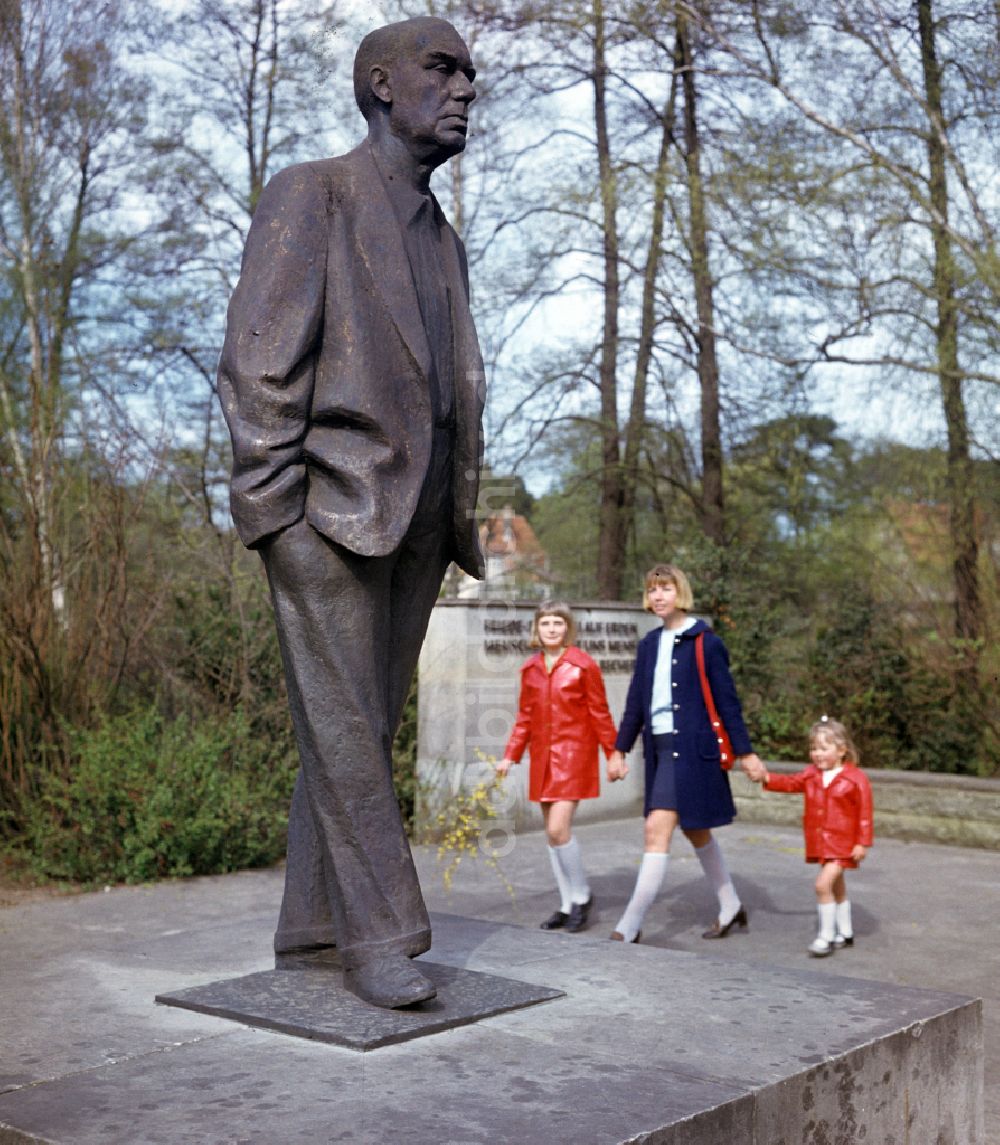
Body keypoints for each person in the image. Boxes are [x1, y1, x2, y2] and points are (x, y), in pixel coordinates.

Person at [217, 17, 484, 1009]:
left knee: (354, 729)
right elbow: (256, 360)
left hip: (416, 523)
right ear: (380, 83)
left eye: (470, 74)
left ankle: (313, 926)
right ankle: (384, 934)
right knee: (348, 726)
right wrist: (272, 512)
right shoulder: (312, 193)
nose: (463, 88)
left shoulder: (442, 237)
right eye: (442, 69)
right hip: (324, 508)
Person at [606, 564, 763, 942]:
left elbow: (728, 703)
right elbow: (635, 705)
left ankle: (629, 925)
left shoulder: (706, 643)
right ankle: (731, 906)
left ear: (682, 594)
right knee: (695, 830)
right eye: (653, 589)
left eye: (666, 589)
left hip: (692, 750)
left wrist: (746, 752)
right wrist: (619, 749)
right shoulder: (648, 645)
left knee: (655, 828)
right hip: (659, 752)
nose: (658, 596)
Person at [497, 602, 618, 934]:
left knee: (557, 830)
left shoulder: (583, 666)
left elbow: (600, 713)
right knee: (552, 836)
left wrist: (614, 753)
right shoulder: (530, 669)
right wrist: (510, 755)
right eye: (545, 623)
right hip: (542, 759)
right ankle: (566, 904)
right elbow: (524, 718)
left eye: (557, 623)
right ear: (536, 629)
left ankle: (582, 896)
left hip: (574, 757)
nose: (551, 628)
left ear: (568, 628)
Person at [744, 718, 873, 956]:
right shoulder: (811, 774)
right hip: (822, 842)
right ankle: (845, 931)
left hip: (843, 844)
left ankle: (826, 936)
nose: (817, 754)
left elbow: (864, 813)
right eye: (814, 749)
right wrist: (765, 777)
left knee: (822, 884)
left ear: (842, 750)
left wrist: (862, 842)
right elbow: (790, 783)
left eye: (824, 748)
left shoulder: (856, 778)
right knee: (837, 886)